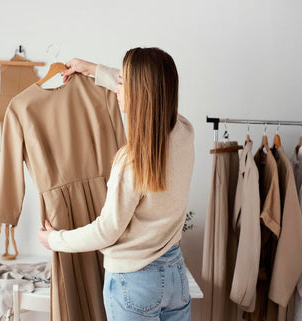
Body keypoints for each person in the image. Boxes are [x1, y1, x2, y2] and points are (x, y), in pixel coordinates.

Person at [38, 47, 195, 321]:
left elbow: (106, 231)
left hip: (134, 282)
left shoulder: (131, 161)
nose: (117, 89)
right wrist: (93, 69)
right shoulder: (184, 131)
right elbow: (153, 91)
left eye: (123, 83)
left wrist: (54, 239)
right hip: (175, 276)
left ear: (139, 92)